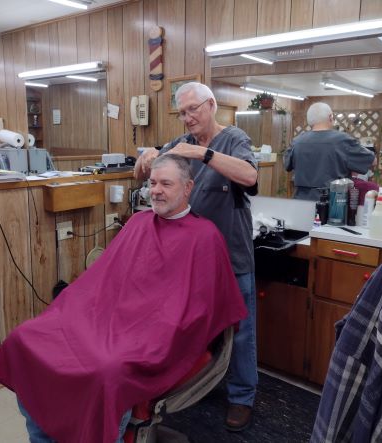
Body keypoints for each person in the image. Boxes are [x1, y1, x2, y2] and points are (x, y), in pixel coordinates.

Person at [0, 154, 247, 443]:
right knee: (25, 338)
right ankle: (44, 435)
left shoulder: (205, 237)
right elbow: (103, 278)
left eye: (166, 183)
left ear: (188, 188)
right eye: (152, 183)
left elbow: (203, 309)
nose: (156, 190)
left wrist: (151, 324)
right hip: (106, 318)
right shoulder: (138, 223)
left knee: (106, 372)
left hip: (154, 335)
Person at [134, 82, 259, 432]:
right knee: (195, 328)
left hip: (232, 258)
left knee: (242, 331)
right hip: (190, 262)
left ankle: (242, 397)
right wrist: (145, 161)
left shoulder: (233, 138)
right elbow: (141, 174)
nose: (188, 118)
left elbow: (249, 176)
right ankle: (195, 385)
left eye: (194, 109)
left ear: (212, 105)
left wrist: (200, 155)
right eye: (183, 112)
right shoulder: (177, 144)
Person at [283, 102, 376, 201]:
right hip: (333, 204)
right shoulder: (342, 140)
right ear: (330, 117)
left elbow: (286, 164)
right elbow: (372, 161)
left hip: (300, 202)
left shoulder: (297, 141)